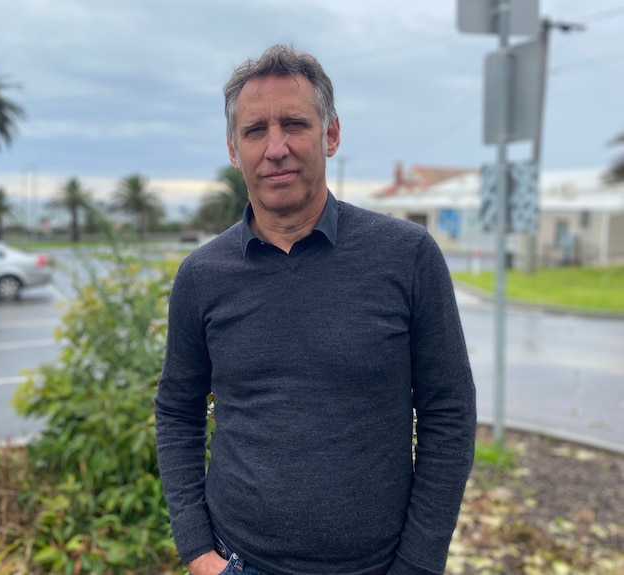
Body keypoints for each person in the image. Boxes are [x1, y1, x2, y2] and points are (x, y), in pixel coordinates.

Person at [154, 44, 476, 575]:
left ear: (331, 134)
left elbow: (449, 412)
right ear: (235, 150)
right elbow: (177, 409)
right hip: (237, 563)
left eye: (295, 124)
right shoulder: (202, 276)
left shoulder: (407, 256)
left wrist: (420, 562)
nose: (275, 147)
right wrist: (195, 549)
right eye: (255, 130)